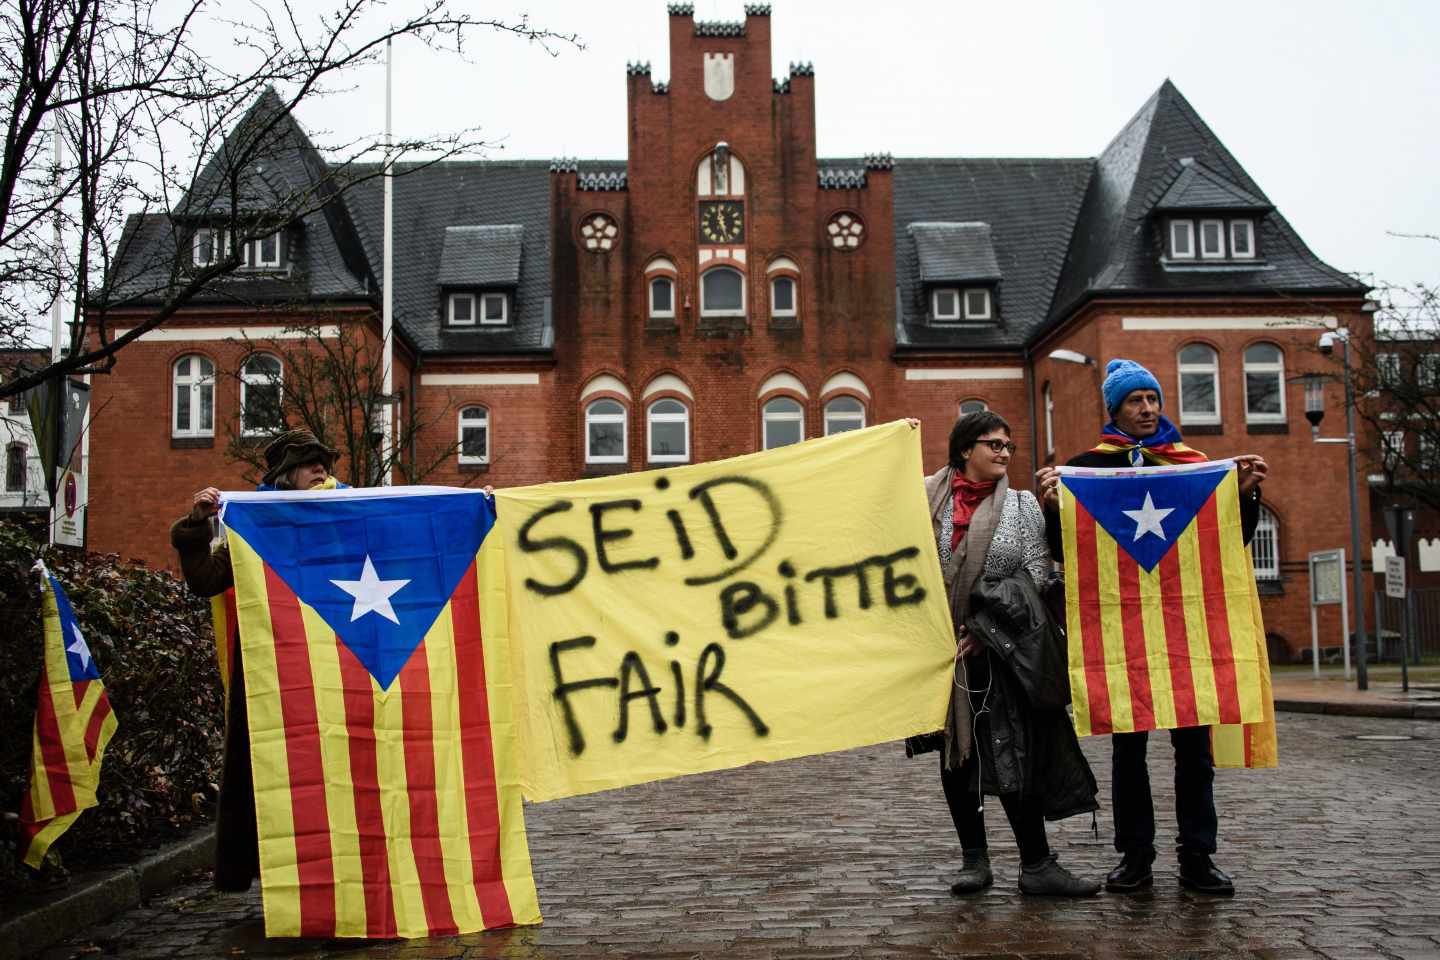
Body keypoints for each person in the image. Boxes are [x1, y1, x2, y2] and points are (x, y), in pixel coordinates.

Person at [1036, 358, 1268, 897]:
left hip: (1187, 633)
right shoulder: (1087, 469)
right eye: (1135, 400)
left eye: (1153, 399)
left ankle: (1198, 857)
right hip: (1118, 637)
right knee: (1128, 753)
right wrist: (1054, 508)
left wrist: (1246, 493)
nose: (1147, 408)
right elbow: (1063, 553)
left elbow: (1229, 544)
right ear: (1114, 408)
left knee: (1195, 752)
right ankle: (1135, 856)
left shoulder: (1194, 467)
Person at [910, 410, 1100, 898]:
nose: (1003, 452)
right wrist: (896, 443)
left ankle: (1036, 862)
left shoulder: (1022, 506)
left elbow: (1038, 574)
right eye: (992, 443)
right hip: (938, 654)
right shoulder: (921, 501)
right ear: (964, 450)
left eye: (1008, 445)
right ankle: (975, 860)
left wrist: (983, 628)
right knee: (958, 757)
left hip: (1003, 652)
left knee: (1015, 751)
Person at [169, 429, 341, 891]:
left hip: (336, 669)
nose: (320, 470)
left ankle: (336, 873)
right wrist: (196, 524)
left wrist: (468, 508)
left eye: (323, 462)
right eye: (309, 464)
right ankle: (283, 875)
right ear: (286, 476)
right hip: (271, 669)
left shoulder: (348, 514)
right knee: (269, 772)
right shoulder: (253, 525)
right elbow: (206, 580)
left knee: (337, 771)